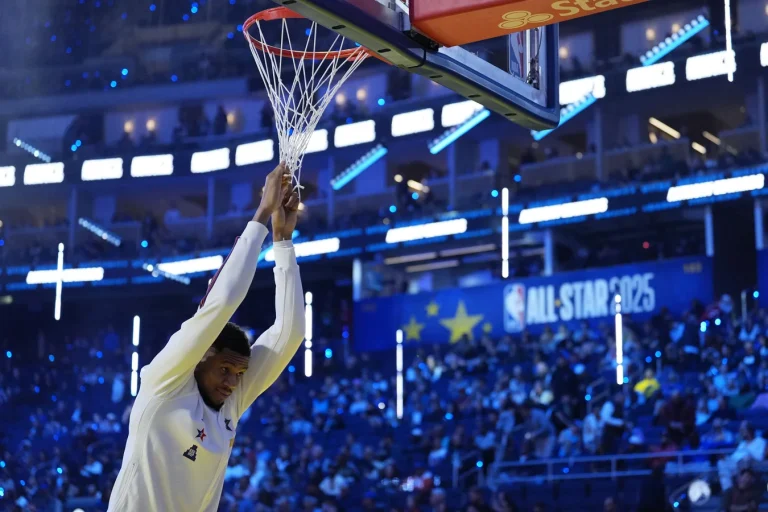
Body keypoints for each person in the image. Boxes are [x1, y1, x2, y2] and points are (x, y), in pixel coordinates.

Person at [107, 163, 306, 511]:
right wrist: (260, 215)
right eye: (225, 368)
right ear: (202, 356)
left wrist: (283, 242)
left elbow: (290, 333)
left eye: (239, 374)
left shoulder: (231, 400)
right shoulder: (164, 381)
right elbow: (223, 302)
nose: (233, 382)